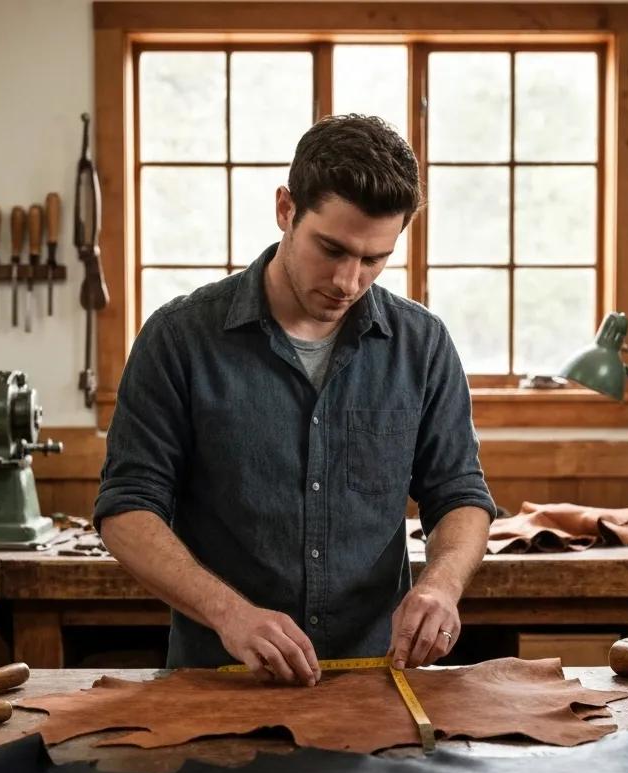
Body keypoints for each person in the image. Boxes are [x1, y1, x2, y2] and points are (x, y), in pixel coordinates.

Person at [94, 114, 495, 686]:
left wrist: (441, 583)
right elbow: (126, 508)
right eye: (331, 249)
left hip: (378, 680)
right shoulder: (179, 338)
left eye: (375, 259)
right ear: (286, 209)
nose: (348, 281)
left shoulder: (423, 346)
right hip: (221, 679)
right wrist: (229, 614)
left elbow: (459, 493)